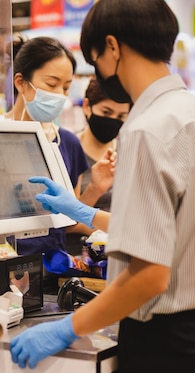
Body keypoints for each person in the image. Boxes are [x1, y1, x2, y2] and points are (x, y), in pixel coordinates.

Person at [9, 1, 195, 373]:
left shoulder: (145, 129)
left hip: (168, 349)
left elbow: (150, 275)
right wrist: (85, 213)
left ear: (112, 48)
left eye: (95, 59)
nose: (98, 72)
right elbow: (173, 231)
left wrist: (69, 328)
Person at [6, 36, 112, 258]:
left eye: (66, 87)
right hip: (2, 262)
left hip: (54, 267)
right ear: (21, 82)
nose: (59, 95)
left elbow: (70, 218)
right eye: (52, 84)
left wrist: (95, 189)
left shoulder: (67, 143)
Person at [66, 79, 129, 255]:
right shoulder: (69, 149)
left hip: (120, 256)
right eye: (106, 112)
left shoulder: (128, 152)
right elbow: (66, 223)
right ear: (87, 106)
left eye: (121, 117)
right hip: (78, 258)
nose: (112, 121)